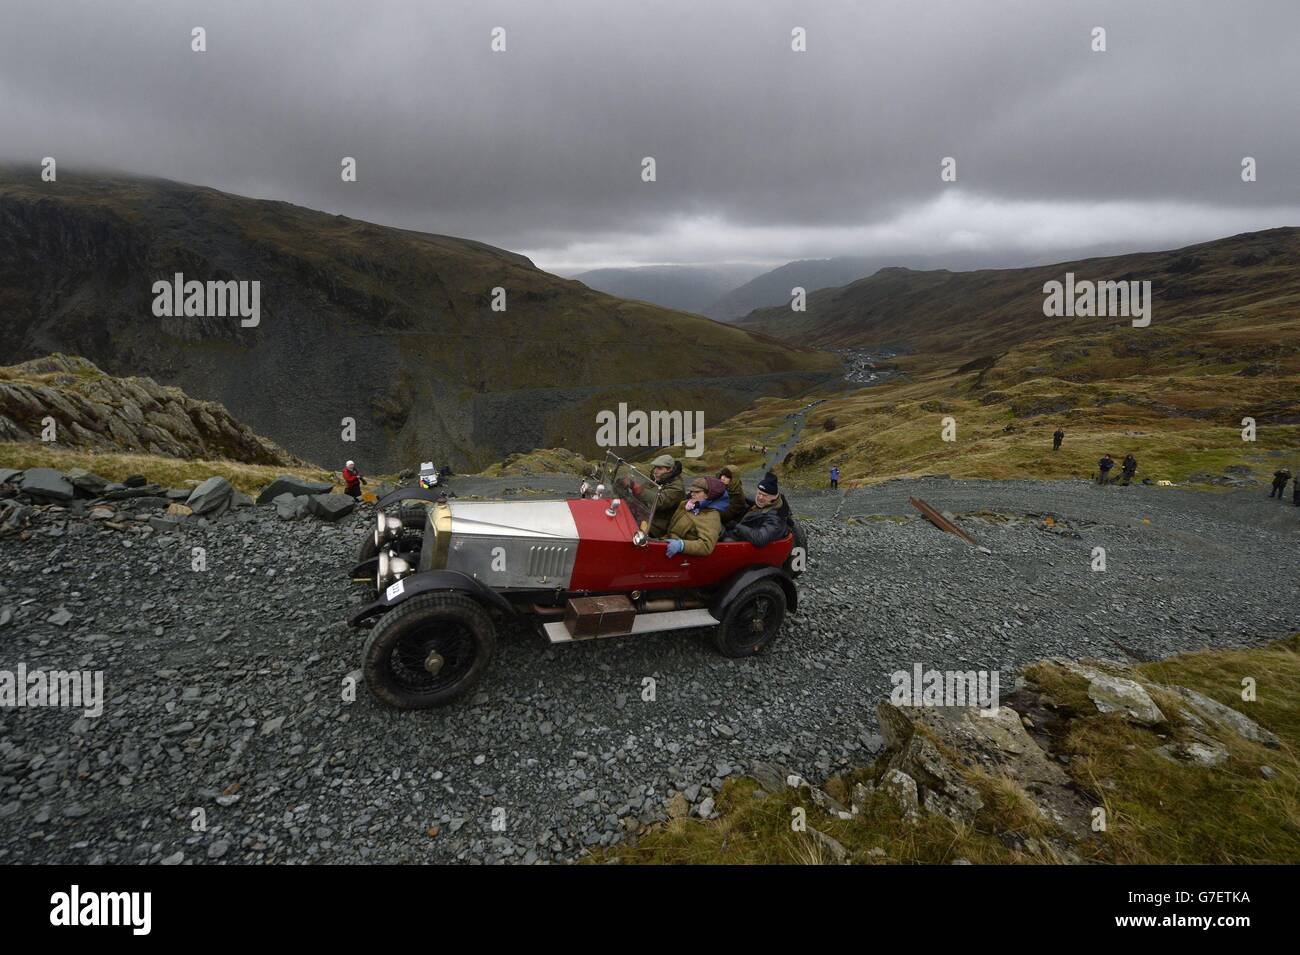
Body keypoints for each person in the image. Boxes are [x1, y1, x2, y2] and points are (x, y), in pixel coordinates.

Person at [664, 477, 728, 558]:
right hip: (667, 541)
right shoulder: (686, 504)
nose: (692, 494)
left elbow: (706, 546)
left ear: (708, 495)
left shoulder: (711, 516)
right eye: (692, 491)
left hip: (683, 556)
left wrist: (682, 545)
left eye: (697, 492)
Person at [723, 471, 790, 547]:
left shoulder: (775, 518)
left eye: (765, 495)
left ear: (773, 497)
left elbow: (760, 539)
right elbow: (745, 498)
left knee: (725, 540)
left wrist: (736, 526)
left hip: (747, 543)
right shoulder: (763, 503)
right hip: (741, 532)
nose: (760, 497)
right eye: (759, 493)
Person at [629, 454, 683, 538]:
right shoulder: (657, 479)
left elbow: (659, 501)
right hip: (644, 514)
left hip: (657, 524)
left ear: (670, 469)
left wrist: (638, 489)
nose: (655, 471)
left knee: (628, 531)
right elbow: (642, 492)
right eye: (655, 467)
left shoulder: (677, 488)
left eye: (659, 468)